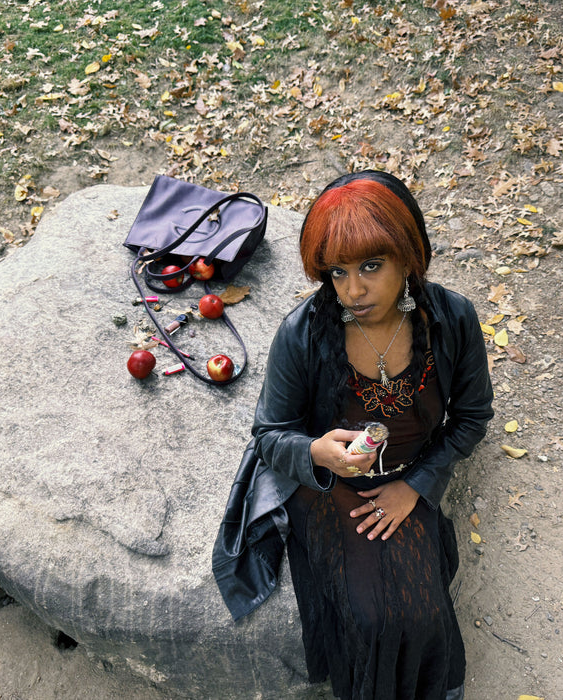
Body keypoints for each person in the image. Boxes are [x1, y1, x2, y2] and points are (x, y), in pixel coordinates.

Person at [213, 170, 493, 700]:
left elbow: (473, 416)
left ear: (408, 256)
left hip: (409, 477)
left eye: (370, 266)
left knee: (425, 609)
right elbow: (270, 432)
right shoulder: (303, 334)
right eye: (337, 272)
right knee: (367, 617)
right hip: (328, 487)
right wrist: (316, 453)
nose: (353, 290)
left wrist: (417, 486)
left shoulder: (452, 319)